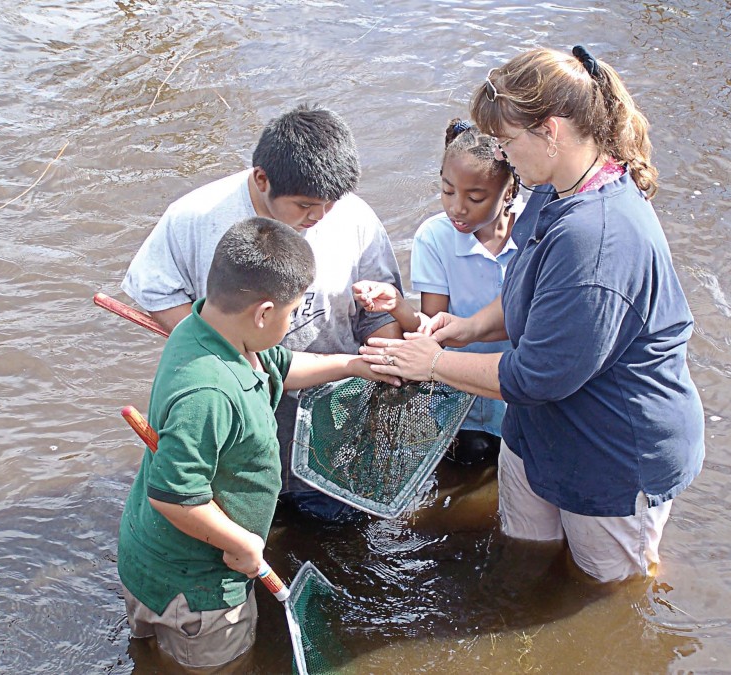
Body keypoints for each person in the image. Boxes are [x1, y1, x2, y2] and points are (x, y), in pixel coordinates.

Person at [359, 46, 705, 583]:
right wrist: (470, 328)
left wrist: (429, 362)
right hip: (537, 434)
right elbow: (528, 296)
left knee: (606, 589)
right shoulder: (553, 191)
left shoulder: (598, 239)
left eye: (506, 140)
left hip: (609, 454)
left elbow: (537, 375)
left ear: (552, 131)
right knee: (524, 559)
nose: (501, 153)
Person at [117, 217, 399, 669]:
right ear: (264, 313)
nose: (291, 323)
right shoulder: (207, 393)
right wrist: (243, 544)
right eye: (292, 313)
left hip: (151, 556)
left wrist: (352, 364)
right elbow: (175, 496)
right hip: (196, 586)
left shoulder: (213, 326)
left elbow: (280, 367)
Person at [121, 104, 403, 522]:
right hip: (243, 400)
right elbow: (155, 288)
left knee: (334, 521)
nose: (320, 217)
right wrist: (222, 353)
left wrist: (382, 360)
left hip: (334, 394)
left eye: (329, 204)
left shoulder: (352, 215)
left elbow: (382, 305)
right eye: (306, 205)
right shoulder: (196, 217)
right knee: (242, 515)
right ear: (261, 179)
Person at [352, 118, 522, 464]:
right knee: (466, 466)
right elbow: (431, 331)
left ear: (509, 191)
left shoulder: (538, 232)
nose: (457, 208)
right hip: (458, 397)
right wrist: (397, 306)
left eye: (475, 197)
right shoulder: (435, 237)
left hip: (518, 392)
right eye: (447, 191)